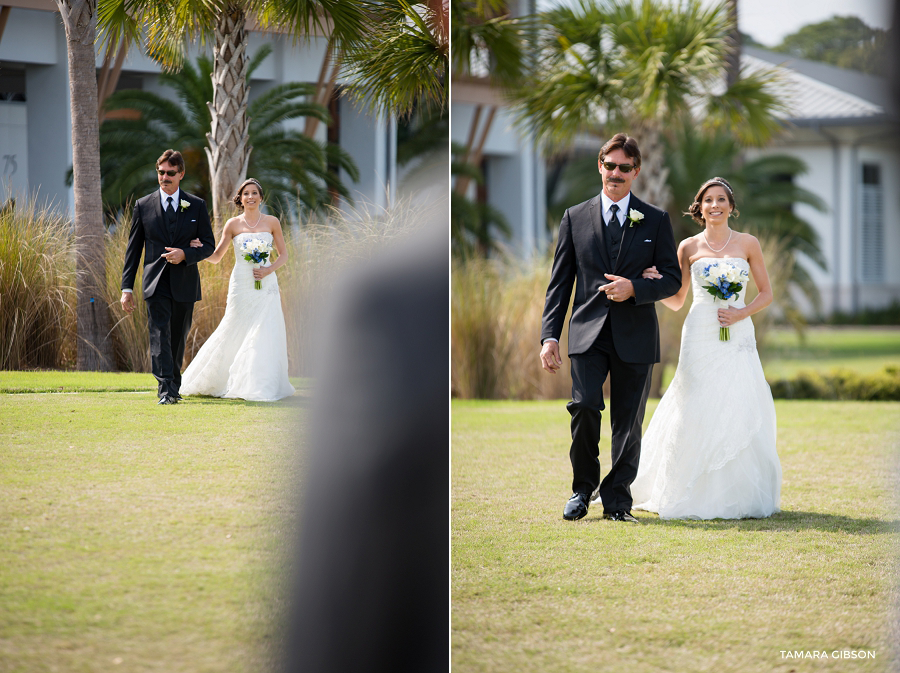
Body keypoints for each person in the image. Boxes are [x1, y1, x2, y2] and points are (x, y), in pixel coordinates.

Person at [540, 132, 681, 523]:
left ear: (636, 171)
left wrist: (634, 287)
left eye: (624, 167)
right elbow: (560, 283)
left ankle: (617, 501)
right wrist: (549, 336)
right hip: (586, 332)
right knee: (584, 406)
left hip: (635, 335)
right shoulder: (574, 217)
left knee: (627, 421)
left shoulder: (655, 219)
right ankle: (582, 490)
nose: (615, 173)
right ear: (599, 166)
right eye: (609, 165)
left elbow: (672, 280)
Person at [630, 177, 782, 519]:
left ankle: (739, 494)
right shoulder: (687, 247)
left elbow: (766, 293)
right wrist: (654, 285)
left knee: (739, 401)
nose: (715, 205)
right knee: (694, 404)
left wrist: (741, 312)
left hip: (737, 334)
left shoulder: (748, 243)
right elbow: (678, 300)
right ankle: (686, 489)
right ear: (699, 208)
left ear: (731, 206)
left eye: (721, 199)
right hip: (699, 332)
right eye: (708, 200)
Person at [179, 178, 295, 402]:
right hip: (241, 283)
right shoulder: (233, 224)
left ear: (261, 197)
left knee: (265, 330)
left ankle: (259, 384)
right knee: (233, 326)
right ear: (240, 199)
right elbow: (216, 257)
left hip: (266, 284)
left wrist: (268, 270)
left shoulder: (272, 222)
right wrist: (199, 250)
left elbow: (284, 255)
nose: (250, 197)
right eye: (246, 194)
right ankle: (215, 379)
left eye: (254, 193)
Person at [120, 149, 215, 405]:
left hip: (185, 283)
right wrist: (126, 288)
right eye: (161, 172)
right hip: (155, 282)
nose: (164, 177)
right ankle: (165, 389)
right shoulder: (143, 205)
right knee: (159, 334)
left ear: (181, 174)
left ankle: (174, 386)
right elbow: (133, 250)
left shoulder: (196, 205)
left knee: (177, 336)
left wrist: (186, 254)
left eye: (170, 173)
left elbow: (209, 245)